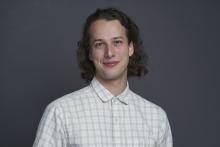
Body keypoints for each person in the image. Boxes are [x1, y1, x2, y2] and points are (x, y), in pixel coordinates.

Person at [33, 7, 173, 147]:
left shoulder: (156, 118)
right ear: (90, 53)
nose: (109, 53)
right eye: (99, 44)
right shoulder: (60, 112)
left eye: (117, 42)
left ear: (131, 48)